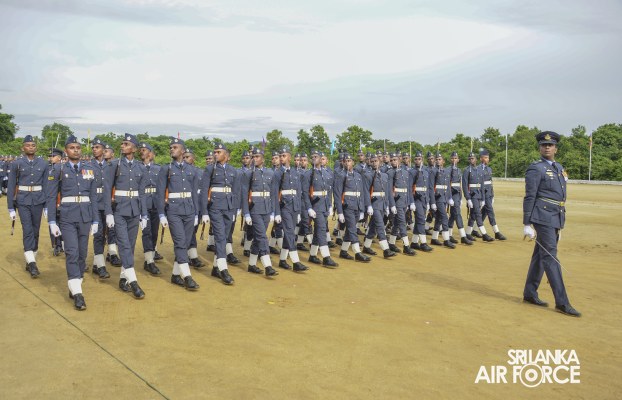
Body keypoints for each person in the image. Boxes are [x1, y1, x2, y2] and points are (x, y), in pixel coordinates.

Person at [522, 131, 580, 317]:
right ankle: (562, 302)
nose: (547, 147)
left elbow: (560, 197)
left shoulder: (559, 168)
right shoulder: (536, 168)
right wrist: (527, 223)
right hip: (542, 216)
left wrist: (559, 224)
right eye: (544, 145)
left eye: (550, 145)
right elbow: (530, 196)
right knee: (550, 258)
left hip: (555, 217)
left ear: (556, 148)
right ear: (540, 148)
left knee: (540, 256)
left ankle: (530, 292)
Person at [46, 135, 99, 310]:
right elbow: (51, 196)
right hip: (67, 216)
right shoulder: (58, 169)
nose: (75, 150)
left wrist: (95, 220)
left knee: (82, 254)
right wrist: (52, 221)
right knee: (72, 252)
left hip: (85, 216)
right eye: (72, 148)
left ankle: (75, 284)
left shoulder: (89, 169)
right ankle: (78, 293)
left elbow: (93, 196)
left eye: (78, 147)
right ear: (66, 151)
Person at [103, 133, 148, 299]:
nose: (122, 146)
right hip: (119, 211)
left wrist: (144, 214)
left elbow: (142, 193)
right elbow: (107, 190)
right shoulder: (114, 165)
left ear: (134, 149)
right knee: (124, 245)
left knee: (130, 245)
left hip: (134, 211)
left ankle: (123, 279)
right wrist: (108, 213)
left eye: (126, 144)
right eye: (122, 144)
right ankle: (134, 282)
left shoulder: (141, 167)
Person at [157, 138, 201, 290]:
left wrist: (196, 213)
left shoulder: (192, 170)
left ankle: (176, 275)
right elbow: (160, 193)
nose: (172, 149)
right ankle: (187, 276)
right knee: (180, 242)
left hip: (189, 210)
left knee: (186, 243)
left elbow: (194, 193)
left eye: (175, 147)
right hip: (174, 210)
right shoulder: (166, 169)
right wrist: (161, 214)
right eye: (171, 147)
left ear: (183, 151)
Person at [7, 135, 49, 278]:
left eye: (33, 145)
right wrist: (10, 207)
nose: (31, 147)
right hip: (23, 200)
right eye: (28, 145)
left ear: (36, 148)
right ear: (22, 148)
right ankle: (32, 264)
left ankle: (30, 259)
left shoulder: (43, 163)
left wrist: (47, 206)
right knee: (28, 230)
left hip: (38, 200)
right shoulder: (16, 164)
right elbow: (11, 185)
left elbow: (46, 185)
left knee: (36, 231)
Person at [200, 143, 239, 285]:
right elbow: (204, 191)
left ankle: (216, 268)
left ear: (226, 156)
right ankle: (223, 270)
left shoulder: (233, 170)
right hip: (215, 207)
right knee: (220, 237)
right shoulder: (210, 169)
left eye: (218, 152)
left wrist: (234, 210)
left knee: (225, 237)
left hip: (228, 207)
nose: (215, 154)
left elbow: (235, 192)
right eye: (215, 152)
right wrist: (204, 212)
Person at [241, 148, 279, 277]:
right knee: (262, 236)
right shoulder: (248, 173)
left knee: (258, 238)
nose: (254, 159)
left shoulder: (270, 173)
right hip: (255, 209)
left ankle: (251, 265)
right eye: (253, 157)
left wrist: (274, 212)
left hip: (267, 209)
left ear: (263, 159)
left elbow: (273, 194)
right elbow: (244, 194)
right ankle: (268, 265)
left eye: (257, 156)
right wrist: (246, 213)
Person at [273, 147, 309, 272]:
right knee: (289, 232)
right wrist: (277, 213)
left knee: (290, 232)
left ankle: (282, 260)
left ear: (289, 157)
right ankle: (296, 261)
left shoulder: (295, 172)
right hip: (284, 207)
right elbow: (275, 194)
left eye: (283, 155)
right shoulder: (277, 173)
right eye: (280, 156)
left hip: (294, 207)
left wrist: (298, 211)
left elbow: (298, 192)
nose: (281, 158)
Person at [333, 153, 372, 262]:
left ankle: (343, 251)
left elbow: (362, 193)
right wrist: (340, 212)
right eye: (345, 161)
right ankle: (357, 252)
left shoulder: (358, 176)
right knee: (352, 229)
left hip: (357, 206)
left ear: (353, 162)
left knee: (350, 230)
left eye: (349, 161)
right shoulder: (341, 175)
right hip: (347, 206)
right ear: (343, 163)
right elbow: (337, 195)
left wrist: (362, 209)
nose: (347, 163)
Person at [302, 151, 338, 267]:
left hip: (325, 205)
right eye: (312, 157)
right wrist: (309, 208)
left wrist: (330, 205)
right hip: (315, 206)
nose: (314, 158)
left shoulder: (326, 173)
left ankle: (312, 255)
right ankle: (326, 257)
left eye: (316, 157)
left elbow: (329, 191)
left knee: (318, 230)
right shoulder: (308, 174)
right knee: (322, 229)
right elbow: (305, 193)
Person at [361, 153, 396, 258]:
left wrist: (388, 205)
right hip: (374, 203)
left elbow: (388, 192)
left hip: (382, 203)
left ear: (380, 162)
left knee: (373, 227)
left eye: (376, 161)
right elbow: (366, 191)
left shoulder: (385, 175)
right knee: (380, 225)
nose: (374, 163)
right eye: (372, 161)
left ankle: (366, 247)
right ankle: (386, 249)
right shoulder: (367, 175)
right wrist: (368, 205)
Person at [386, 152, 416, 255]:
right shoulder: (390, 173)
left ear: (399, 160)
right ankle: (406, 246)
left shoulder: (406, 172)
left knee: (397, 223)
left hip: (404, 200)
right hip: (397, 201)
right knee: (402, 222)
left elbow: (408, 189)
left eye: (395, 160)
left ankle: (391, 243)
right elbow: (389, 190)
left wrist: (410, 202)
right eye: (391, 160)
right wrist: (392, 204)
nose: (393, 162)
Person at [139, 142, 162, 275]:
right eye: (141, 150)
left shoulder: (159, 168)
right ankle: (149, 261)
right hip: (143, 204)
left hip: (156, 204)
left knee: (154, 232)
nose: (142, 152)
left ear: (151, 153)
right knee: (146, 232)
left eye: (145, 150)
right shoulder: (137, 167)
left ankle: (151, 256)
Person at [463, 152, 494, 242]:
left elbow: (482, 186)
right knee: (478, 213)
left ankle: (468, 233)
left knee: (473, 214)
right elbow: (465, 186)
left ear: (476, 159)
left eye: (473, 158)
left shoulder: (479, 170)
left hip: (479, 194)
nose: (471, 160)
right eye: (470, 159)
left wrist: (483, 199)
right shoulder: (466, 170)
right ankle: (484, 234)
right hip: (472, 195)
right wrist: (468, 198)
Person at [182, 147, 205, 269]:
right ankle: (190, 256)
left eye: (187, 157)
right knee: (187, 232)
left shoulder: (200, 172)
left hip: (197, 205)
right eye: (183, 157)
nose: (185, 159)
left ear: (193, 158)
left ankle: (190, 254)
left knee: (193, 232)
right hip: (185, 205)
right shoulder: (180, 172)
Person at [479, 150, 507, 240]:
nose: (487, 159)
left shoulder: (489, 169)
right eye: (485, 157)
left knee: (484, 212)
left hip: (489, 194)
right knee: (490, 211)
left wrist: (492, 195)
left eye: (488, 158)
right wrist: (482, 198)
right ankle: (496, 232)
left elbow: (490, 183)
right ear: (481, 159)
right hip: (484, 194)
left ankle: (474, 229)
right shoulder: (478, 169)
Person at [429, 153, 455, 249]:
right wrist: (432, 202)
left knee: (439, 218)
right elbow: (431, 187)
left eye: (440, 159)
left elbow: (448, 186)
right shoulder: (433, 171)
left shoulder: (446, 171)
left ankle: (434, 238)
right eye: (437, 159)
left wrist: (450, 197)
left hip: (445, 197)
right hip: (438, 197)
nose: (438, 161)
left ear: (443, 161)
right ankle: (446, 239)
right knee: (444, 217)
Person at [409, 151, 433, 252]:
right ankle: (423, 243)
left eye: (419, 159)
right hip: (416, 198)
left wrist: (428, 201)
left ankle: (414, 242)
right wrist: (411, 202)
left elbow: (428, 187)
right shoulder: (412, 172)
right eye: (416, 159)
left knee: (420, 220)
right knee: (421, 219)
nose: (417, 161)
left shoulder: (426, 171)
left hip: (424, 198)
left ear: (422, 159)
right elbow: (409, 188)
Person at [447, 152, 473, 245]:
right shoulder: (448, 170)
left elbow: (460, 184)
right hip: (451, 193)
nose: (454, 160)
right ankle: (463, 236)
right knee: (457, 213)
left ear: (458, 160)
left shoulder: (458, 170)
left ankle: (449, 235)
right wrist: (449, 197)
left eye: (456, 158)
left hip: (457, 194)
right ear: (450, 159)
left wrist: (461, 197)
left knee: (453, 215)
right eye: (452, 158)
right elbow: (448, 184)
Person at [47, 147, 64, 256]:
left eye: (53, 156)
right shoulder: (49, 168)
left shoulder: (62, 168)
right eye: (49, 156)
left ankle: (61, 243)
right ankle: (56, 244)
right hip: (51, 198)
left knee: (62, 222)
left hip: (60, 198)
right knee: (53, 222)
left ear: (59, 158)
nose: (50, 158)